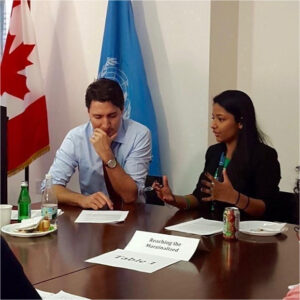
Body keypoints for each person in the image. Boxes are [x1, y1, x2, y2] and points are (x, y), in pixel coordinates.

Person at [153, 90, 281, 218]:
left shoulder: (264, 156)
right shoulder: (214, 152)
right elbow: (199, 197)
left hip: (244, 233)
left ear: (240, 122)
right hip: (211, 229)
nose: (213, 125)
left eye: (221, 119)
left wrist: (234, 197)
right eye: (213, 118)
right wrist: (174, 200)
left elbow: (266, 209)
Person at [45, 78, 151, 210]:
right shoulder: (76, 137)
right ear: (88, 113)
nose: (105, 125)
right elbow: (49, 189)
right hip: (92, 216)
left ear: (122, 110)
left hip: (132, 215)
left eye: (112, 116)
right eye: (98, 117)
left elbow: (129, 196)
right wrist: (81, 200)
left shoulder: (139, 134)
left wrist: (106, 154)